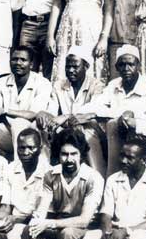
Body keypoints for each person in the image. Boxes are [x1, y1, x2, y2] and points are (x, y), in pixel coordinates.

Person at [93, 45, 146, 175]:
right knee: (103, 124)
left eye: (131, 64)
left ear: (138, 66)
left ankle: (118, 175)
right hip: (118, 131)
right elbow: (97, 105)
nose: (126, 69)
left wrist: (117, 114)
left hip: (144, 133)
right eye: (122, 65)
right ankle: (111, 177)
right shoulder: (113, 85)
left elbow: (141, 111)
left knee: (114, 123)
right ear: (116, 67)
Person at [38, 46, 109, 176]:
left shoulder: (96, 85)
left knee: (86, 131)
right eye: (68, 67)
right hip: (65, 129)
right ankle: (45, 173)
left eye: (75, 67)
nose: (71, 70)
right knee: (44, 127)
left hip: (89, 130)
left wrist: (66, 116)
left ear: (86, 67)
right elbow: (52, 112)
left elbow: (94, 109)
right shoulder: (59, 85)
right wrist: (46, 116)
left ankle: (98, 175)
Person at [0, 46, 54, 161]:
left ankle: (19, 166)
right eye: (14, 59)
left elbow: (34, 114)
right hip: (8, 133)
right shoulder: (1, 82)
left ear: (31, 64)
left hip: (33, 135)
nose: (18, 63)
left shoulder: (42, 83)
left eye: (23, 60)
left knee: (19, 123)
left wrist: (4, 110)